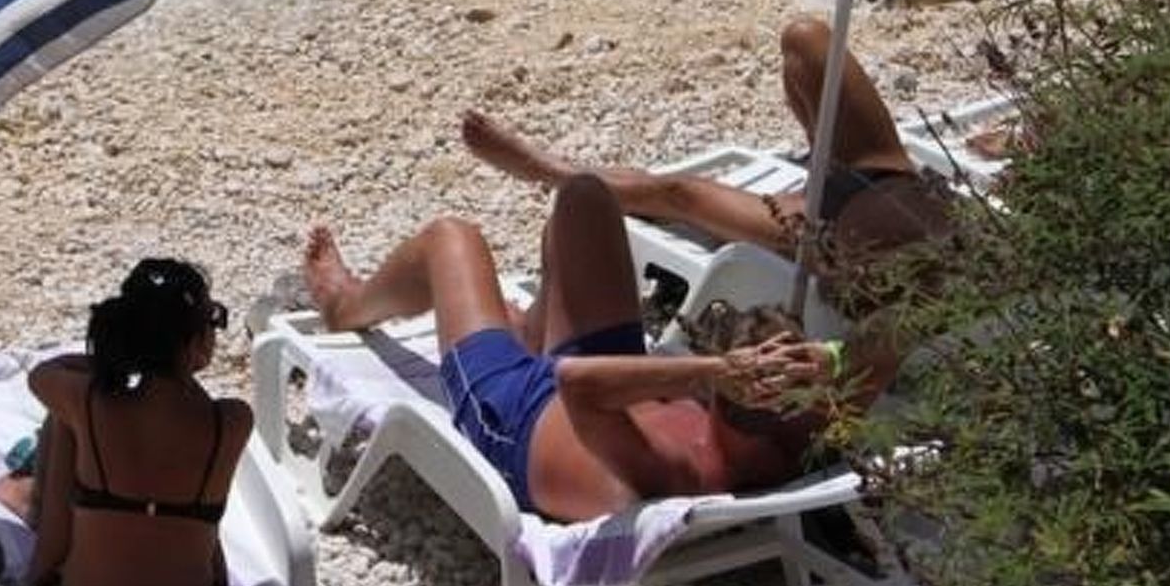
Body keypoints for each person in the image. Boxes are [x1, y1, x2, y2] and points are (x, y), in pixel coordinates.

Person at [303, 176, 843, 522]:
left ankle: (347, 305)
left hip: (516, 409)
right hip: (610, 389)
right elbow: (884, 346)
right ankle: (531, 327)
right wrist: (831, 362)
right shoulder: (797, 427)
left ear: (730, 390)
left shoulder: (676, 470)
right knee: (584, 200)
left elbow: (576, 383)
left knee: (451, 237)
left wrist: (709, 371)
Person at [460, 15, 954, 332]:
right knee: (805, 41)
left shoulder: (899, 297)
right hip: (887, 176)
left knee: (677, 194)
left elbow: (863, 312)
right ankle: (814, 158)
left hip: (822, 235)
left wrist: (824, 256)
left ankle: (545, 170)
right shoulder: (988, 253)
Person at [0, 258, 254, 586]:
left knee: (68, 421)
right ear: (197, 340)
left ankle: (38, 539)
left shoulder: (92, 404)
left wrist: (116, 364)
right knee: (194, 496)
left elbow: (42, 375)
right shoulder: (231, 422)